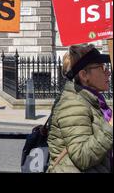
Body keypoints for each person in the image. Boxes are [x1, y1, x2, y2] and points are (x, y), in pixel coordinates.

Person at [47, 44, 112, 173]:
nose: (108, 72)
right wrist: (111, 127)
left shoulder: (92, 100)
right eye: (101, 67)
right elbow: (82, 156)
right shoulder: (73, 104)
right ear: (84, 75)